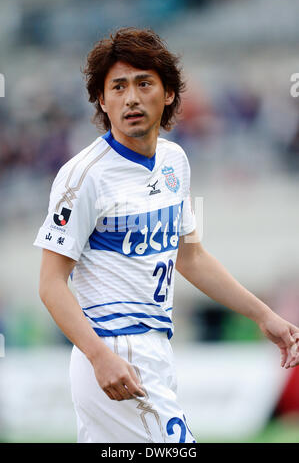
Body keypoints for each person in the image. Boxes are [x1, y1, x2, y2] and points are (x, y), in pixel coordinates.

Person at [33, 27, 299, 444]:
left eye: (144, 83)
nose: (132, 98)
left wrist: (264, 315)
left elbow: (191, 257)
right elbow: (50, 284)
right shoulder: (82, 176)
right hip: (113, 349)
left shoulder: (176, 161)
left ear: (170, 93)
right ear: (102, 100)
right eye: (118, 87)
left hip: (157, 348)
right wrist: (99, 356)